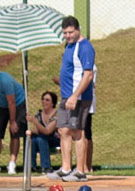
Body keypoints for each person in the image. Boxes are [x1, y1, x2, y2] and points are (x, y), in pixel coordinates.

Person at [54, 16, 96, 182]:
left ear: (78, 30)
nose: (68, 35)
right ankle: (65, 168)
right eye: (65, 33)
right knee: (63, 130)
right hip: (66, 96)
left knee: (77, 131)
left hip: (78, 97)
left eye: (71, 32)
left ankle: (80, 171)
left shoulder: (85, 47)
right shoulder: (69, 45)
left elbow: (88, 74)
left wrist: (74, 95)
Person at [27, 91, 60, 174]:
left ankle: (46, 166)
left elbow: (47, 131)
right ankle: (31, 165)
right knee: (33, 138)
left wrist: (35, 121)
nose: (44, 102)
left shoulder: (56, 116)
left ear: (52, 103)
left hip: (55, 139)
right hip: (42, 138)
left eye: (47, 100)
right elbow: (37, 131)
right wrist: (30, 131)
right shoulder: (39, 114)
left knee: (41, 138)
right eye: (43, 99)